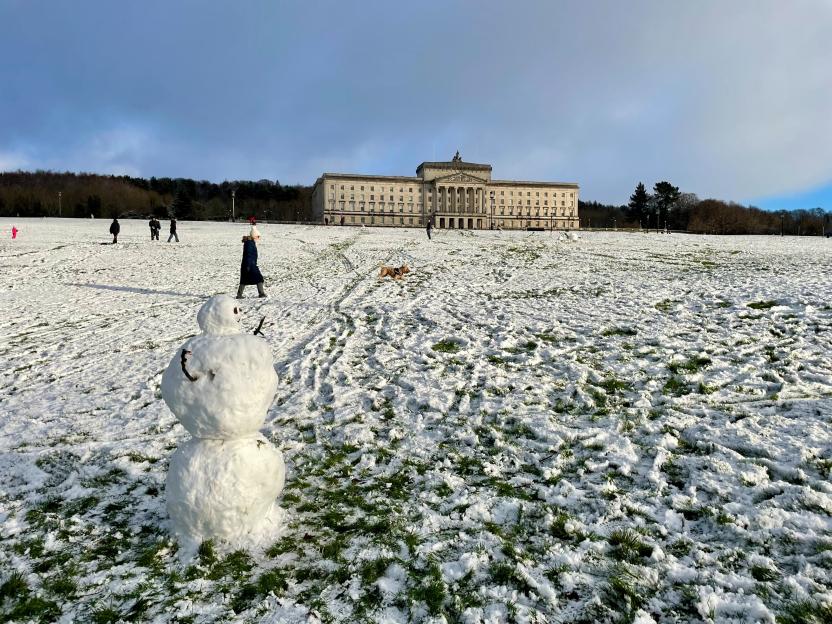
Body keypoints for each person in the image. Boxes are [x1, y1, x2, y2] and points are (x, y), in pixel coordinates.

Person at [237, 226, 266, 298]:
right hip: (250, 264)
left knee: (244, 280)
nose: (259, 238)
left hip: (248, 264)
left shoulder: (250, 242)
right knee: (259, 278)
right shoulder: (249, 243)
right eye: (258, 236)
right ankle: (261, 294)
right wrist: (249, 265)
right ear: (254, 236)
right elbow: (248, 254)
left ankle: (239, 295)